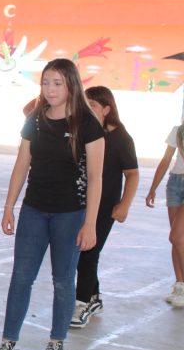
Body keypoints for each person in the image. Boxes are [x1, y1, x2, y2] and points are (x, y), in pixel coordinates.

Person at [0, 58, 105, 350]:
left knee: (63, 281)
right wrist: (9, 205)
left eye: (57, 83)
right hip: (34, 210)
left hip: (70, 214)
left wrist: (90, 223)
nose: (50, 89)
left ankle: (56, 344)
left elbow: (95, 177)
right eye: (46, 82)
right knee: (21, 277)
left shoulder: (87, 124)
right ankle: (8, 343)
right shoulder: (35, 119)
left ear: (71, 85)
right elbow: (22, 162)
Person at [70, 86, 139, 327]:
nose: (87, 110)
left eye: (94, 106)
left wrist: (124, 205)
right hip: (81, 202)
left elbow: (132, 174)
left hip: (105, 206)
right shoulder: (85, 131)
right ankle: (94, 296)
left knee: (88, 253)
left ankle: (81, 304)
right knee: (85, 251)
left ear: (107, 109)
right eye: (85, 105)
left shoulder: (120, 138)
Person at [145, 120, 184, 308]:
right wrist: (153, 188)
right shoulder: (178, 131)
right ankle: (179, 285)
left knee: (177, 237)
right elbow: (166, 159)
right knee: (176, 239)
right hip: (175, 183)